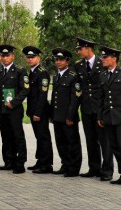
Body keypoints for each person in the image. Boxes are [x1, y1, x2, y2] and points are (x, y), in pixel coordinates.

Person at [97, 46, 121, 188]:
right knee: (114, 147)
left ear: (114, 58)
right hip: (108, 117)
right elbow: (102, 98)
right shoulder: (103, 75)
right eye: (102, 57)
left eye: (105, 57)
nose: (102, 59)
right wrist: (100, 116)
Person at [74, 37, 113, 180]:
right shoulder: (79, 65)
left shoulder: (101, 63)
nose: (78, 51)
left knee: (104, 141)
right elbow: (79, 88)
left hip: (100, 109)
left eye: (80, 49)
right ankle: (94, 168)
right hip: (86, 108)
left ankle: (107, 170)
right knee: (90, 140)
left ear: (89, 49)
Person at [50, 48, 83, 177]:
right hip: (57, 116)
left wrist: (70, 116)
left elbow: (75, 98)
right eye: (56, 60)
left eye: (61, 60)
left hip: (68, 117)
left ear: (67, 61)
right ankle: (65, 164)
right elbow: (54, 96)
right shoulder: (56, 75)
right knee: (61, 142)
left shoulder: (73, 76)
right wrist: (52, 114)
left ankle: (74, 168)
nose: (58, 62)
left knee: (72, 143)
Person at [0, 45, 29, 174]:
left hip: (14, 110)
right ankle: (9, 161)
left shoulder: (20, 71)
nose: (5, 58)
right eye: (3, 56)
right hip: (3, 111)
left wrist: (14, 102)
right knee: (6, 137)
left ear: (13, 56)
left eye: (7, 55)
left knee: (18, 136)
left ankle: (20, 163)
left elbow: (25, 89)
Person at [23, 46, 54, 174]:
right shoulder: (32, 72)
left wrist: (37, 112)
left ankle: (46, 164)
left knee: (43, 137)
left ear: (38, 58)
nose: (30, 60)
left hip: (40, 111)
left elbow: (43, 94)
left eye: (32, 57)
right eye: (28, 58)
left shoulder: (42, 73)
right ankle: (40, 160)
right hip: (34, 110)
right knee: (39, 137)